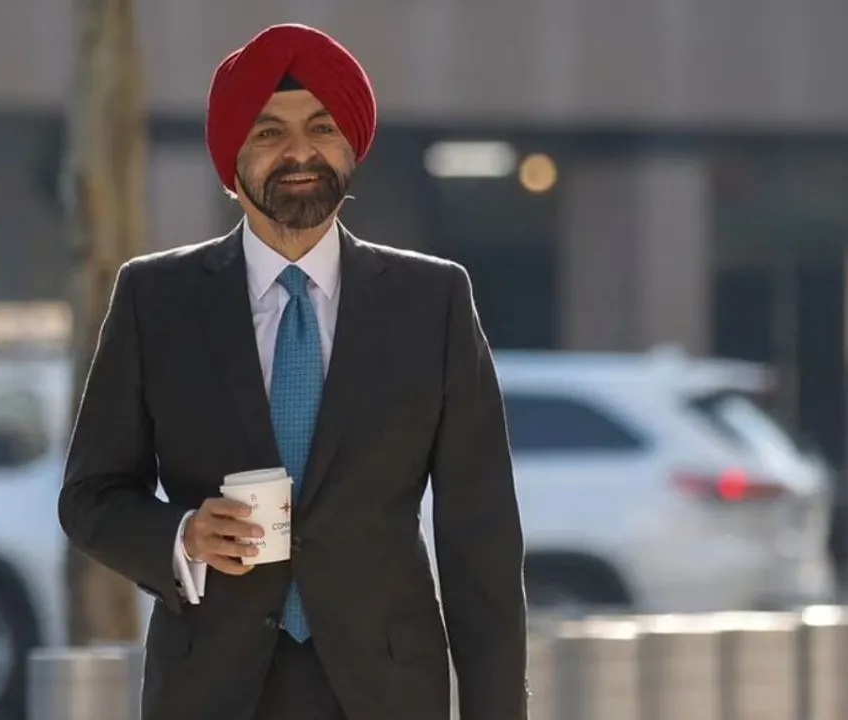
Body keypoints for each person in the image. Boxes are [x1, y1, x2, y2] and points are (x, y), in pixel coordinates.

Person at [58, 22, 527, 720]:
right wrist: (182, 536)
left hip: (386, 691)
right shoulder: (156, 301)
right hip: (210, 690)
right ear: (231, 160)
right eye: (269, 132)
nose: (301, 152)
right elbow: (90, 497)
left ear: (352, 145)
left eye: (321, 127)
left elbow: (480, 542)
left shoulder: (434, 303)